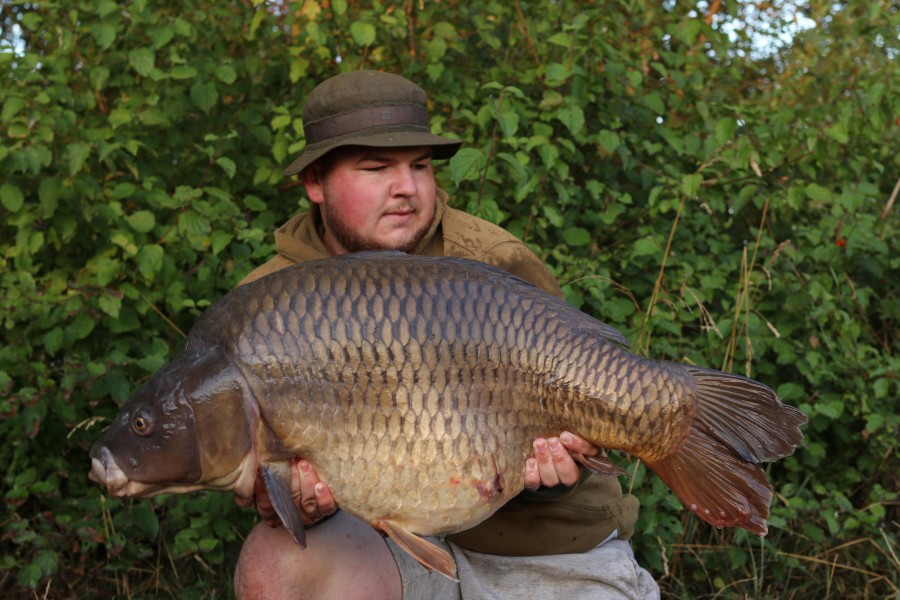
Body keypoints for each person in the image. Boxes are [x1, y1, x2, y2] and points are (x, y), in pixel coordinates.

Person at [232, 70, 659, 600]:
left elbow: (579, 404)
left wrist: (560, 472)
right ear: (315, 183)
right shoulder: (265, 305)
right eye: (375, 167)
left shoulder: (491, 260)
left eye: (420, 166)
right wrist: (287, 501)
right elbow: (240, 460)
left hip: (548, 547)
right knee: (275, 569)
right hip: (384, 548)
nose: (406, 188)